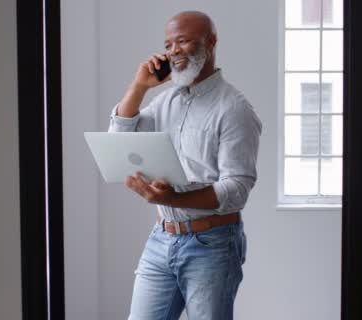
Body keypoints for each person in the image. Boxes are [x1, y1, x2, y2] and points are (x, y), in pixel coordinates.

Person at [108, 10, 262, 320]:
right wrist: (139, 87)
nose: (174, 51)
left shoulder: (234, 109)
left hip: (212, 244)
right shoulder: (166, 101)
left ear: (211, 42)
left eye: (183, 41)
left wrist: (171, 198)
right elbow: (119, 138)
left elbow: (236, 190)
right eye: (168, 45)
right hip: (161, 237)